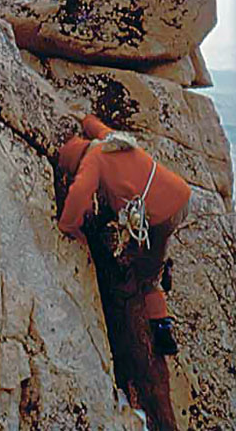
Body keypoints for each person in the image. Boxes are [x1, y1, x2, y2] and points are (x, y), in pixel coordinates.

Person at [58, 112, 191, 355]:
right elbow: (95, 125)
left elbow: (79, 193)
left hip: (163, 215)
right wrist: (85, 119)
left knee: (145, 276)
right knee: (139, 240)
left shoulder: (92, 161)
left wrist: (68, 226)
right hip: (180, 194)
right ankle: (160, 257)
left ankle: (162, 328)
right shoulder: (108, 140)